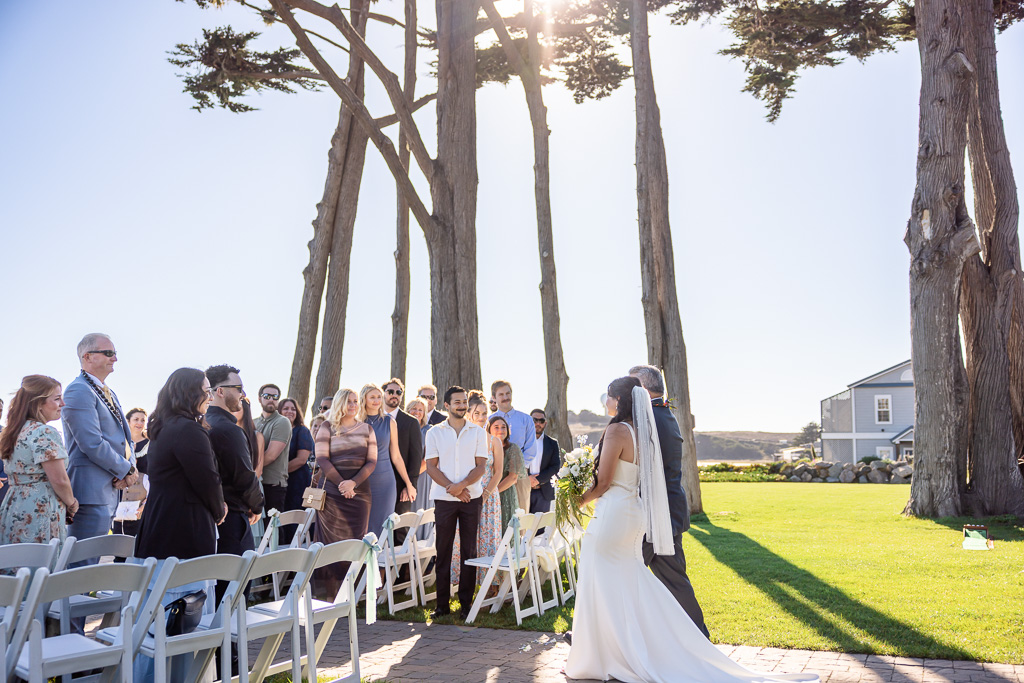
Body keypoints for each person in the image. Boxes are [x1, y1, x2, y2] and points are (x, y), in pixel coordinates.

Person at [565, 377, 817, 683]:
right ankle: (632, 647)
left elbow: (604, 482)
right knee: (625, 580)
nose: (604, 402)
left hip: (613, 513)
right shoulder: (643, 432)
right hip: (633, 512)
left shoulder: (617, 430)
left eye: (607, 396)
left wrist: (577, 499)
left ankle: (604, 655)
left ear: (618, 400)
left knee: (600, 577)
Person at [132, 368, 226, 683]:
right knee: (183, 617)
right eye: (206, 389)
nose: (210, 395)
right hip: (183, 531)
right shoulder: (188, 430)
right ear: (190, 393)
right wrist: (219, 509)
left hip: (159, 526)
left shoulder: (162, 428)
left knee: (154, 617)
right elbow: (207, 479)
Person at [629, 363, 709, 637]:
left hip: (658, 516)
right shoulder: (661, 415)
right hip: (662, 513)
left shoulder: (655, 418)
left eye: (631, 386)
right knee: (671, 580)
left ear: (643, 388)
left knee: (623, 572)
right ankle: (695, 637)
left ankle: (697, 638)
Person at [62, 333, 138, 548]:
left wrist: (129, 469)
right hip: (90, 492)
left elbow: (126, 439)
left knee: (92, 564)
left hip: (110, 489)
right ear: (87, 357)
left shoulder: (109, 392)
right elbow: (91, 443)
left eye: (115, 353)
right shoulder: (78, 390)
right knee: (81, 564)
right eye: (108, 353)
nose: (114, 358)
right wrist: (127, 471)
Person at [425, 386, 487, 620]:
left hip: (471, 498)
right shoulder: (434, 433)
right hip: (444, 499)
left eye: (464, 402)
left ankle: (466, 604)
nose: (462, 406)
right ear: (447, 406)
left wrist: (462, 487)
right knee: (444, 550)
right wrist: (454, 489)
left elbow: (481, 466)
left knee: (469, 550)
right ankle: (441, 605)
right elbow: (431, 467)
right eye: (457, 402)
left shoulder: (478, 432)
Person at [205, 365, 263, 595]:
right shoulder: (228, 429)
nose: (242, 394)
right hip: (233, 519)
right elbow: (244, 476)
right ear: (219, 391)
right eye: (238, 388)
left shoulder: (203, 424)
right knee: (235, 590)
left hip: (212, 517)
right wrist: (256, 505)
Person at [312, 388, 375, 598]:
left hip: (360, 495)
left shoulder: (367, 429)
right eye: (349, 402)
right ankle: (328, 596)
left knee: (356, 543)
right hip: (332, 494)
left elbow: (371, 461)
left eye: (356, 402)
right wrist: (342, 484)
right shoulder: (326, 427)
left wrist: (353, 484)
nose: (354, 405)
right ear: (340, 403)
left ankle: (352, 595)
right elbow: (322, 458)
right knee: (330, 544)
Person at [0, 375, 78, 547]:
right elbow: (59, 479)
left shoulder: (13, 432)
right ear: (38, 403)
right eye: (57, 399)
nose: (62, 404)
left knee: (14, 563)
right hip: (40, 508)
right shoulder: (44, 432)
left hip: (13, 504)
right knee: (39, 565)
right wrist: (72, 503)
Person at [451, 392, 504, 587]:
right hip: (465, 496)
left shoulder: (494, 441)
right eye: (477, 413)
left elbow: (498, 472)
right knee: (466, 538)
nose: (482, 417)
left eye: (484, 413)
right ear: (469, 415)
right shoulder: (462, 440)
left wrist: (485, 495)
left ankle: (490, 586)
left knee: (488, 540)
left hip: (488, 497)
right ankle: (464, 582)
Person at [360, 383, 417, 537]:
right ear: (363, 399)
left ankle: (379, 561)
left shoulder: (389, 422)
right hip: (361, 480)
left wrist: (408, 483)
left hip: (385, 482)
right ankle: (361, 561)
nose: (376, 400)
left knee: (382, 526)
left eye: (379, 397)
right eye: (372, 397)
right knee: (362, 525)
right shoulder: (356, 422)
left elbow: (396, 456)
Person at [382, 379, 423, 546]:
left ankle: (402, 572)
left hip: (401, 485)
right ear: (384, 393)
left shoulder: (410, 422)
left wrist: (410, 485)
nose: (394, 395)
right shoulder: (373, 419)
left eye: (398, 392)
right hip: (378, 483)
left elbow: (416, 458)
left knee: (399, 530)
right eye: (390, 391)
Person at [490, 380, 536, 511]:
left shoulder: (526, 419)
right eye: (501, 394)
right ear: (494, 397)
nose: (505, 397)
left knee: (521, 516)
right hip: (494, 475)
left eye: (508, 393)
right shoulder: (489, 421)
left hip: (519, 475)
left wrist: (517, 469)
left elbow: (531, 449)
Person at [255, 383, 292, 524]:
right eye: (267, 396)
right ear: (260, 399)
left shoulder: (282, 422)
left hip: (273, 485)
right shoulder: (254, 422)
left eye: (275, 397)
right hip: (256, 483)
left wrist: (248, 471)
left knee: (274, 530)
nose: (271, 399)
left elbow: (270, 456)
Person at [112, 408, 150, 536]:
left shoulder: (151, 444)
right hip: (122, 495)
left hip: (143, 495)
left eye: (143, 420)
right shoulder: (121, 444)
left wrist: (147, 502)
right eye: (136, 420)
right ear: (128, 422)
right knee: (119, 536)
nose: (139, 423)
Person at [279, 398, 314, 533]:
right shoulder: (276, 430)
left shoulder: (301, 431)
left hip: (297, 481)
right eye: (286, 408)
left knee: (296, 516)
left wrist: (278, 472)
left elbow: (301, 459)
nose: (290, 412)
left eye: (293, 409)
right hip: (280, 482)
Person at [489, 415, 526, 531]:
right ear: (489, 430)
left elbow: (513, 478)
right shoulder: (485, 448)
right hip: (487, 494)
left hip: (505, 494)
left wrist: (491, 493)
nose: (501, 430)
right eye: (496, 427)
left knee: (506, 530)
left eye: (503, 427)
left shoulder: (513, 448)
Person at [405, 397, 434, 540]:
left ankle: (422, 552)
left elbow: (429, 459)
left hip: (422, 477)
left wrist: (411, 479)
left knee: (421, 511)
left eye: (420, 410)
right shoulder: (400, 427)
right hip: (403, 477)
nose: (417, 412)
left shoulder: (429, 431)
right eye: (414, 408)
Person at [528, 409, 561, 514]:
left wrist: (538, 480)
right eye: (535, 420)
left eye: (541, 421)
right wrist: (527, 479)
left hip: (543, 492)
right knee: (522, 527)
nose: (538, 423)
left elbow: (555, 467)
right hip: (524, 490)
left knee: (540, 528)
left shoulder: (552, 443)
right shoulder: (522, 442)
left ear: (545, 423)